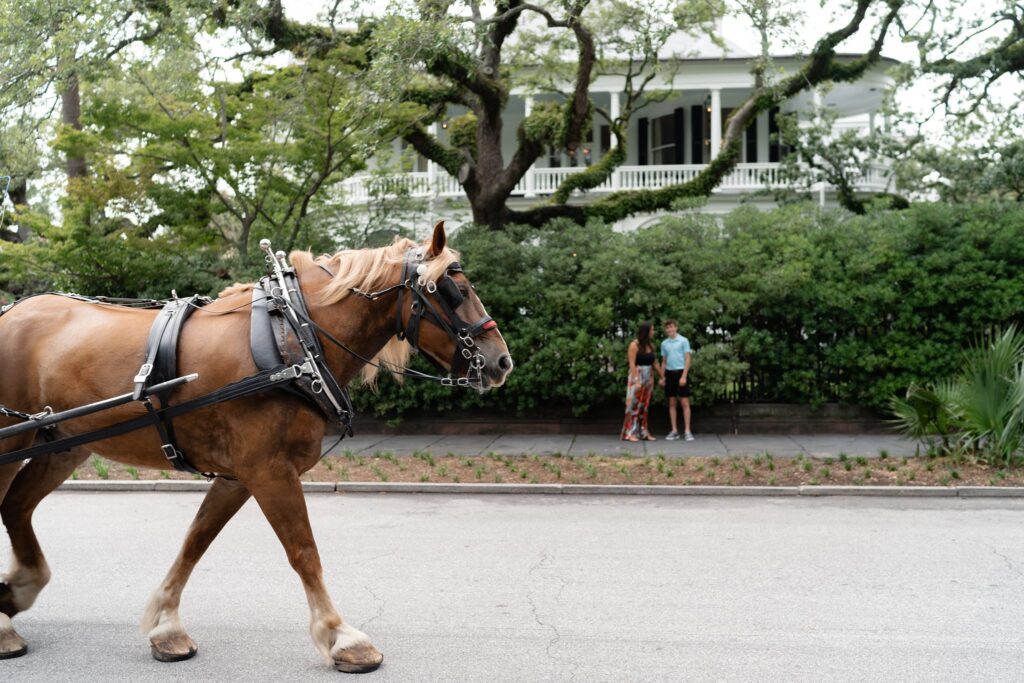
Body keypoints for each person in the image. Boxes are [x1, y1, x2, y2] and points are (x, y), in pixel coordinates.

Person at [621, 320, 661, 442]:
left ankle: (643, 431)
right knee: (633, 405)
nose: (653, 332)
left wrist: (662, 376)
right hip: (637, 376)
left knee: (644, 406)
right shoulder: (634, 345)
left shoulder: (650, 346)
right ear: (646, 331)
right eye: (652, 330)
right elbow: (632, 363)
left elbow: (655, 362)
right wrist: (636, 380)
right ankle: (629, 433)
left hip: (648, 377)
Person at [658, 319, 694, 441]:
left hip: (681, 372)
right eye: (667, 328)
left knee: (684, 402)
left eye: (671, 327)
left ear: (676, 328)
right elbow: (664, 361)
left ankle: (687, 431)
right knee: (672, 402)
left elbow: (687, 359)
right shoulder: (664, 344)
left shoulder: (683, 341)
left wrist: (684, 376)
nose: (670, 329)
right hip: (669, 373)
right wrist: (662, 377)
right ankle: (674, 430)